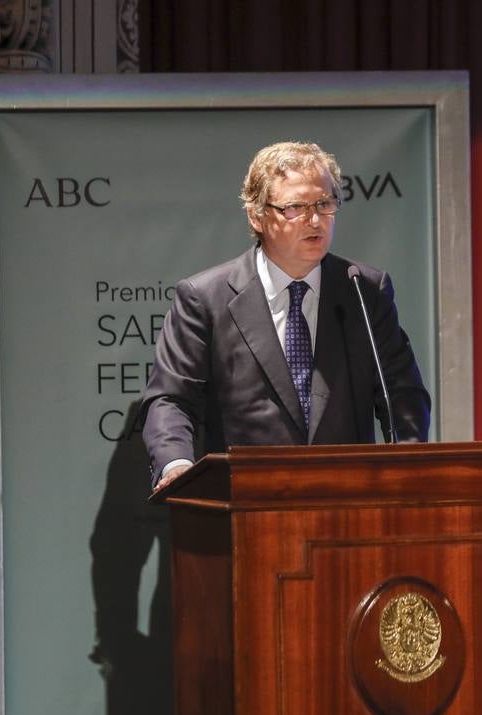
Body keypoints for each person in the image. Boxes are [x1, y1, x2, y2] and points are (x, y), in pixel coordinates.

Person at [142, 141, 431, 491]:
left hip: (349, 506)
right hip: (246, 502)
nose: (315, 221)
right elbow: (172, 399)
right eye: (295, 207)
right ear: (257, 215)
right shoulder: (205, 298)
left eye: (324, 204)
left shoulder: (364, 290)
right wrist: (177, 463)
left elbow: (402, 394)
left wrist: (409, 464)